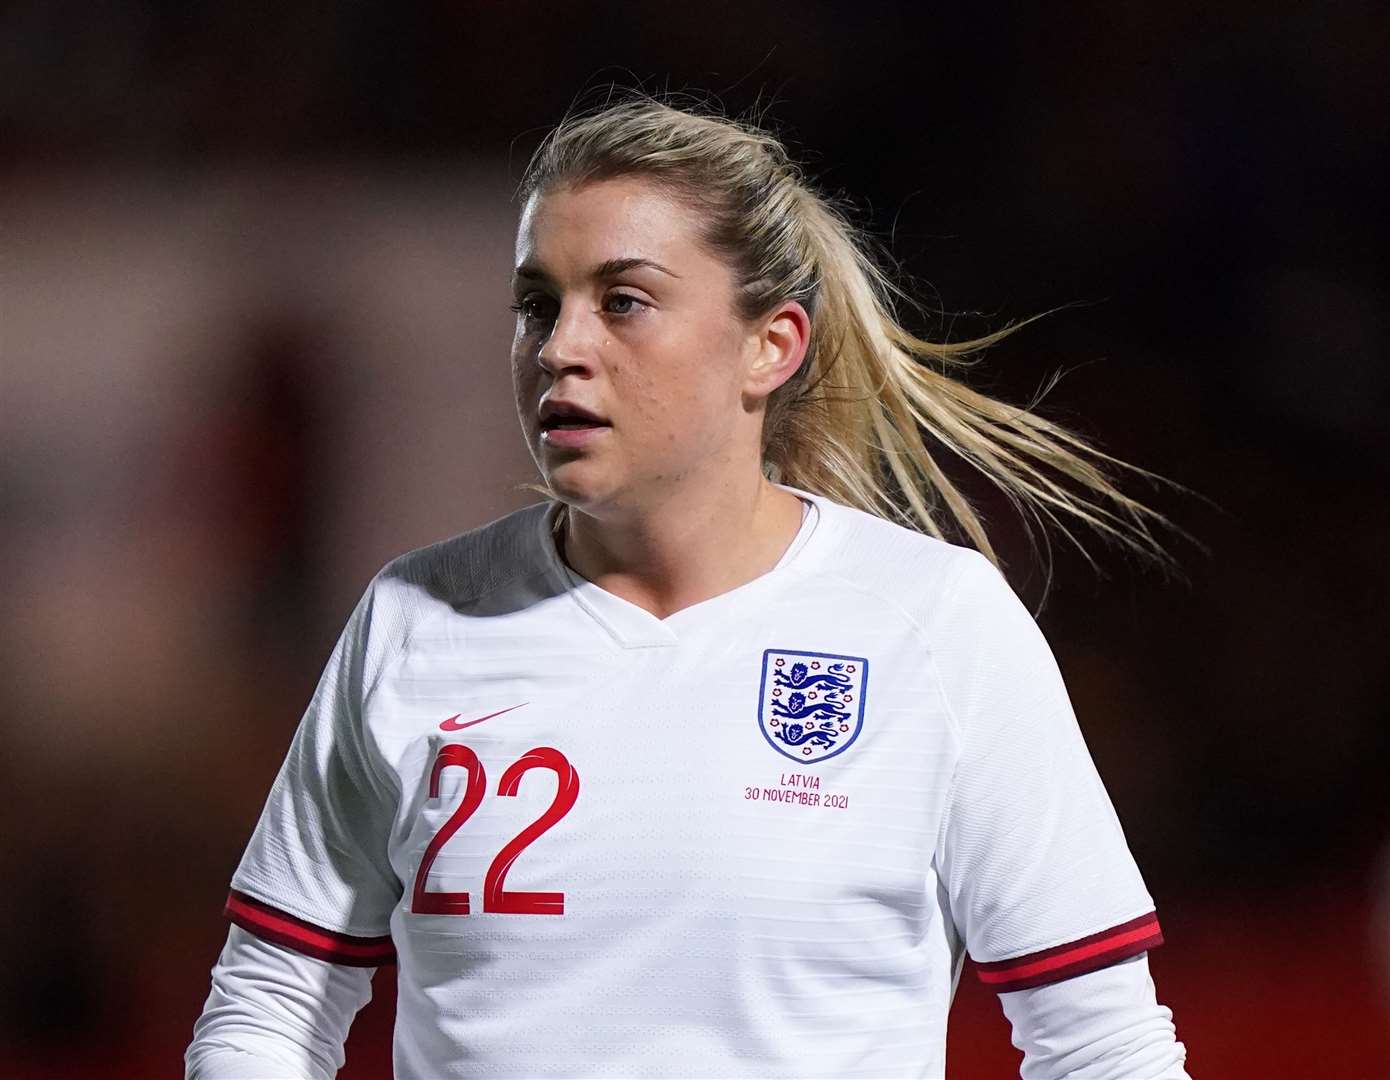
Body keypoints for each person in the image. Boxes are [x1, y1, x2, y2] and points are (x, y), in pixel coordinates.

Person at [186, 91, 1191, 1079]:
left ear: (771, 345)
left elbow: (1099, 1045)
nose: (561, 348)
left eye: (623, 301)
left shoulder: (932, 626)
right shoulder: (416, 621)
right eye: (538, 304)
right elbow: (273, 1000)